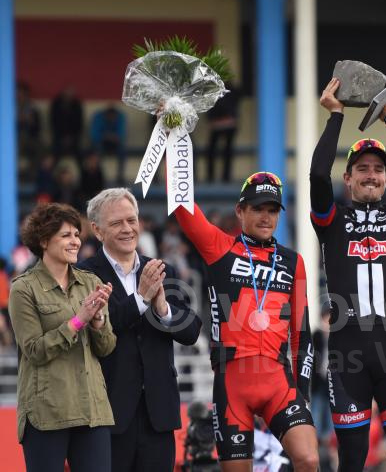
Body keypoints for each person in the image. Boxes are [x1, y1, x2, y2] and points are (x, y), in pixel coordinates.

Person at [311, 77, 386, 471]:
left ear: (384, 178)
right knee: (351, 461)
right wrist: (335, 116)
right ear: (347, 178)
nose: (371, 175)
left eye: (378, 169)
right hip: (348, 356)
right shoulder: (331, 221)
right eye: (361, 168)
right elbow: (315, 176)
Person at [174, 171, 318, 472]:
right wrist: (173, 140)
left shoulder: (294, 262)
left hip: (278, 382)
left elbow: (300, 332)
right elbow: (182, 207)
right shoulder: (220, 248)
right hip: (232, 383)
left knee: (308, 459)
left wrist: (301, 390)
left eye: (272, 210)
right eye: (257, 209)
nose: (266, 217)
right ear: (240, 211)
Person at [78, 188, 202, 472]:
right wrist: (142, 299)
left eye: (132, 220)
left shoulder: (161, 269)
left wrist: (163, 309)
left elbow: (191, 331)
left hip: (159, 412)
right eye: (117, 223)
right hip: (109, 413)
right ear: (97, 230)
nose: (127, 228)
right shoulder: (85, 275)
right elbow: (103, 323)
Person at [9, 202, 116, 471]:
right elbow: (34, 350)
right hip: (47, 414)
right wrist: (78, 320)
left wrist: (98, 320)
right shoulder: (24, 289)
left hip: (93, 412)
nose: (76, 242)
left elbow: (106, 347)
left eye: (77, 235)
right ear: (44, 241)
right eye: (66, 235)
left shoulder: (91, 282)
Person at [206, 83, 240, 182]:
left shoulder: (227, 90)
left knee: (224, 152)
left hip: (225, 124)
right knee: (216, 152)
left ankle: (219, 177)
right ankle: (216, 177)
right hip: (222, 124)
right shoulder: (215, 89)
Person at [89, 105, 127, 184]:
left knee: (122, 151)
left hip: (114, 143)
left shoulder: (120, 117)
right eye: (109, 117)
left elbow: (121, 135)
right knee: (97, 151)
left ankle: (120, 176)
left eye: (113, 117)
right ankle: (99, 176)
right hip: (101, 143)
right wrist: (105, 136)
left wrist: (113, 137)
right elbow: (94, 135)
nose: (111, 119)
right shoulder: (98, 117)